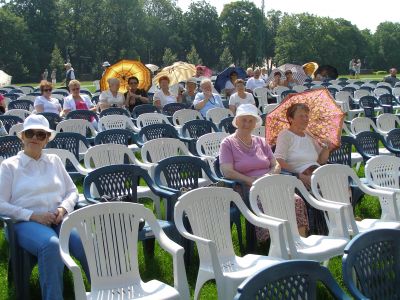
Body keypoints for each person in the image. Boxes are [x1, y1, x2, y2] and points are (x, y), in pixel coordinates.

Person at [0, 114, 89, 300]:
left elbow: (72, 191)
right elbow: (1, 204)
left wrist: (63, 209)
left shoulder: (54, 161)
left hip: (57, 218)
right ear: (22, 136)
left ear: (47, 140)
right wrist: (33, 215)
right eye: (30, 133)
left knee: (84, 239)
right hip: (22, 223)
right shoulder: (9, 166)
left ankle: (106, 290)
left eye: (41, 135)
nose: (35, 138)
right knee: (51, 245)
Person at [219, 104, 309, 239]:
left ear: (255, 123)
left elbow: (276, 164)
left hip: (269, 183)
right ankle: (277, 243)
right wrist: (251, 181)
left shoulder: (261, 141)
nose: (247, 124)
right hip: (246, 187)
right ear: (236, 121)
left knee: (296, 200)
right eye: (243, 120)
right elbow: (227, 171)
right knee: (268, 203)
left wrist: (269, 175)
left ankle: (300, 240)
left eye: (251, 120)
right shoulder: (228, 143)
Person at [274, 103, 331, 189]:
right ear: (291, 119)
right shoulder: (285, 135)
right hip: (299, 176)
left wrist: (326, 147)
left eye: (306, 116)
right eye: (301, 116)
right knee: (333, 183)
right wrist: (298, 175)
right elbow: (278, 160)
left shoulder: (308, 135)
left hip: (316, 171)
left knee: (339, 177)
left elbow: (321, 160)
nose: (305, 119)